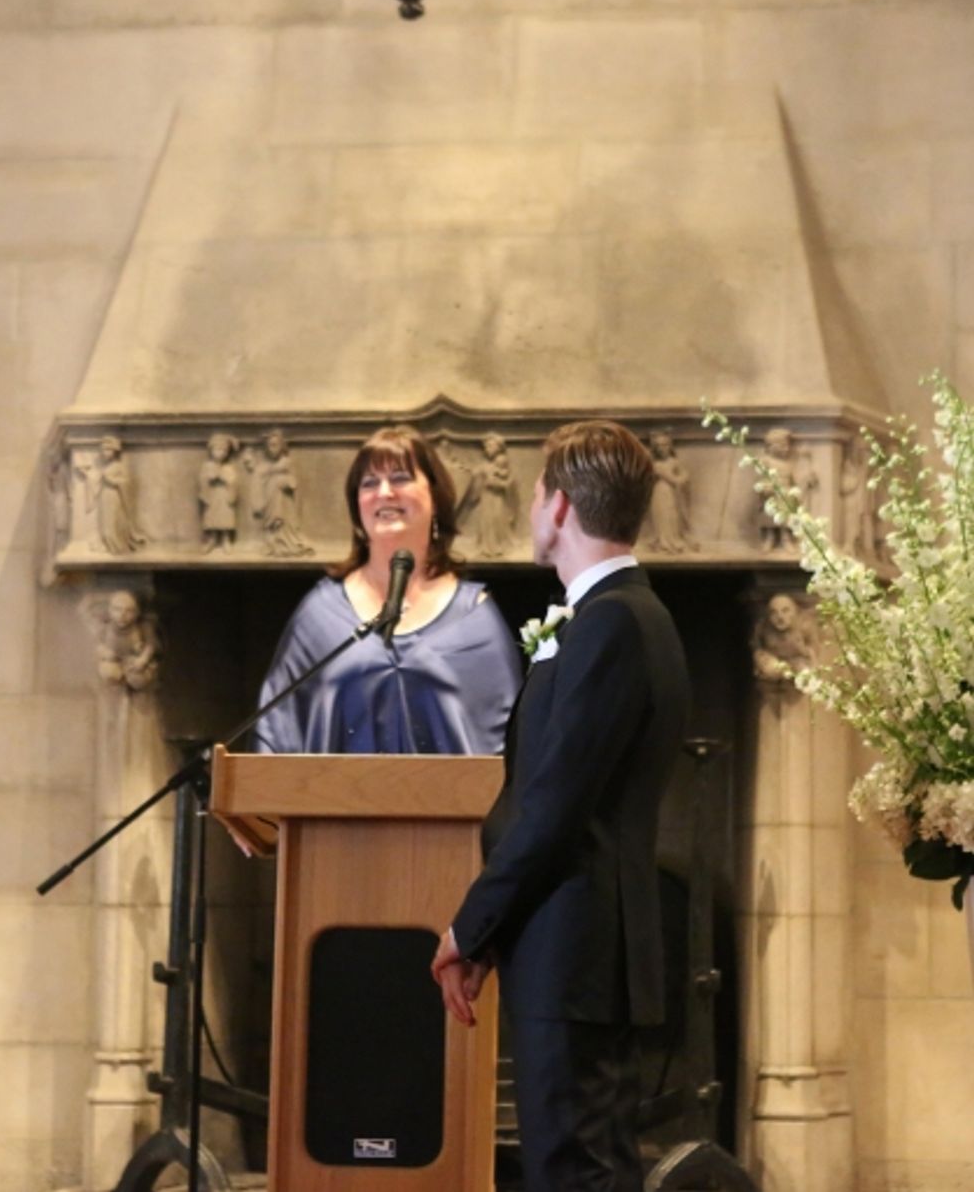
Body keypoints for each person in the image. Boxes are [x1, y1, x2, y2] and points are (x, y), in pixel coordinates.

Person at [431, 419, 689, 1192]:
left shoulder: (612, 623)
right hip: (575, 947)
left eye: (540, 491)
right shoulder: (622, 617)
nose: (533, 505)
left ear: (563, 506)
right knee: (579, 1164)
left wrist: (471, 925)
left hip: (575, 948)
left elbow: (553, 803)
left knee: (572, 1171)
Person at [252, 425, 519, 756]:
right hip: (336, 805)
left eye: (400, 478)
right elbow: (275, 734)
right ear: (356, 506)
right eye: (369, 483)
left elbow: (509, 747)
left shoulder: (475, 617)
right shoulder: (319, 614)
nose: (384, 492)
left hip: (446, 806)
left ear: (435, 497)